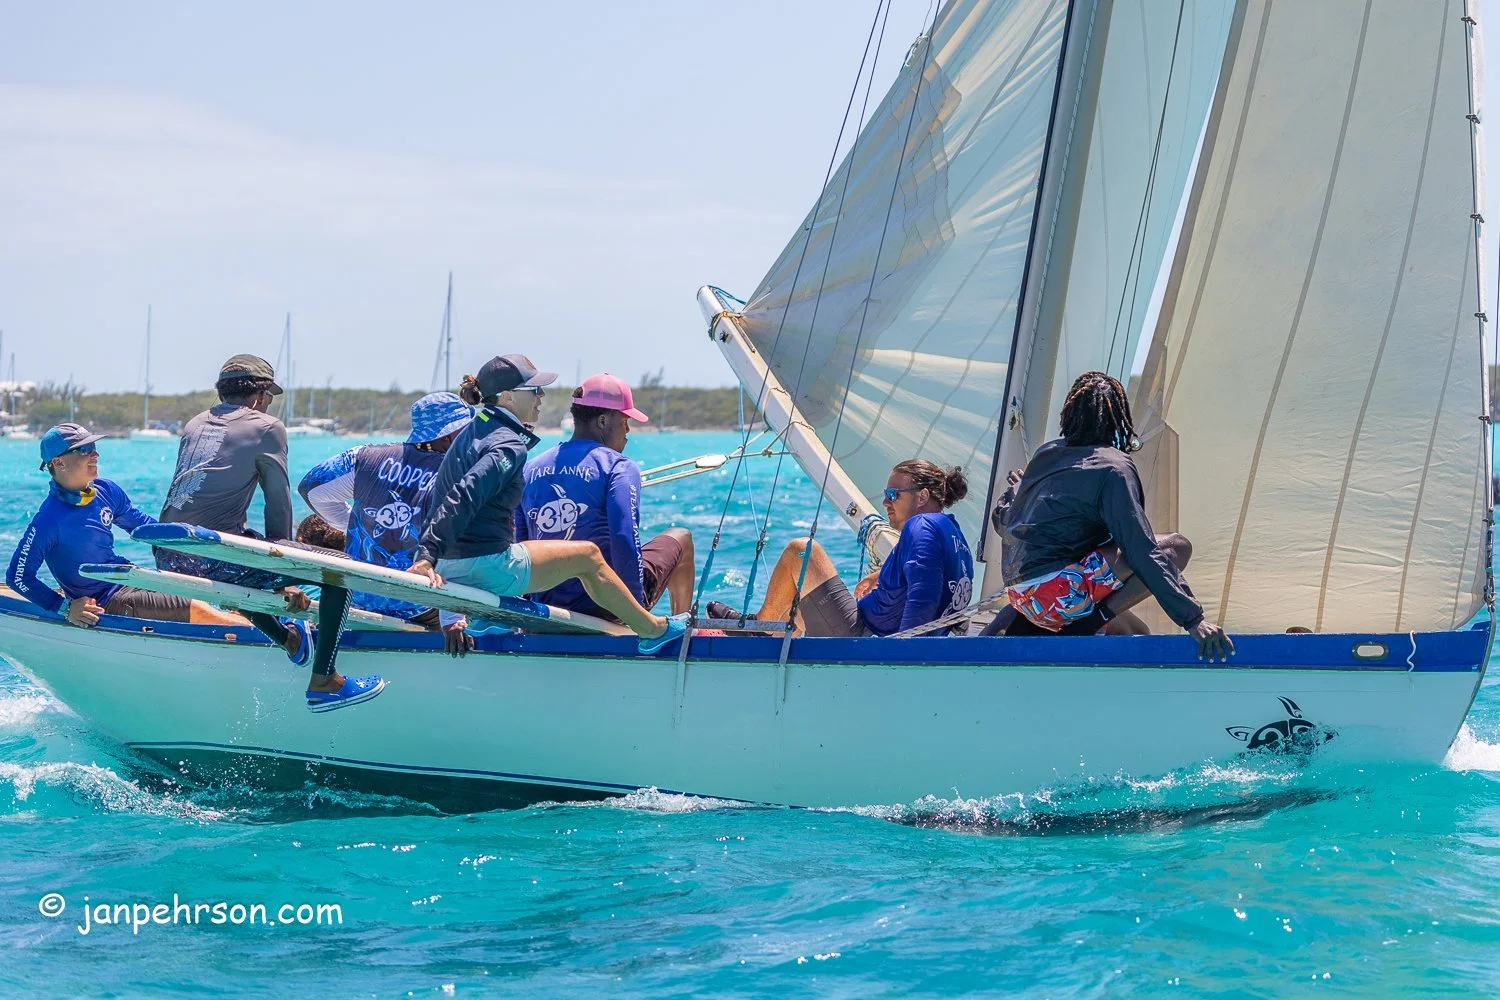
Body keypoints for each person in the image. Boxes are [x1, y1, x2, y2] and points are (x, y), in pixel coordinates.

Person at [407, 354, 687, 653]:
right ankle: (650, 628)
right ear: (508, 397)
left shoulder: (470, 434)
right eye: (534, 390)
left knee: (525, 549)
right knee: (588, 556)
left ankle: (494, 620)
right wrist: (426, 557)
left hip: (451, 566)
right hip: (484, 568)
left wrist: (441, 585)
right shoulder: (508, 445)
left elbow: (441, 499)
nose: (541, 396)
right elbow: (464, 494)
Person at [155, 354, 383, 711]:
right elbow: (278, 505)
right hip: (209, 555)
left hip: (169, 550)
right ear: (261, 396)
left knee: (246, 546)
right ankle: (325, 680)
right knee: (341, 568)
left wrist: (278, 568)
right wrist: (286, 571)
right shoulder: (266, 426)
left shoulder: (196, 423)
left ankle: (289, 640)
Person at [989, 370, 1234, 661]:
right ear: (1118, 417)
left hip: (1020, 599)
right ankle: (1086, 626)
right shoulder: (1114, 467)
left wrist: (1016, 491)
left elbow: (1003, 521)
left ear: (1069, 412)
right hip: (1058, 600)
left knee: (1118, 592)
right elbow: (1141, 549)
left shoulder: (1046, 454)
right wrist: (1192, 619)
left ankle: (1062, 622)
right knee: (1175, 547)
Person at [7, 423, 245, 628]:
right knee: (200, 610)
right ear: (58, 462)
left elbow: (142, 527)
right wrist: (65, 608)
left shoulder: (106, 491)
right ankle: (268, 641)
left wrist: (193, 543)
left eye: (94, 448)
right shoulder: (49, 520)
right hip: (107, 600)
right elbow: (18, 577)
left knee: (211, 594)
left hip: (132, 578)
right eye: (84, 450)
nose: (95, 455)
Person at [299, 391, 475, 655]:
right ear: (450, 434)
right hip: (419, 605)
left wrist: (354, 523)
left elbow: (311, 489)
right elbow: (455, 548)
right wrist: (452, 618)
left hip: (357, 597)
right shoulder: (458, 473)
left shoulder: (364, 457)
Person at [714, 460, 974, 637]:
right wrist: (882, 575)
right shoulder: (953, 533)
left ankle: (759, 629)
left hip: (864, 639)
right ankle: (775, 631)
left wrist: (904, 656)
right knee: (800, 600)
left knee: (802, 551)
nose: (885, 501)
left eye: (894, 494)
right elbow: (936, 583)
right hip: (873, 631)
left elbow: (925, 597)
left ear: (922, 496)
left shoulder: (920, 525)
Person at [515, 373, 695, 619]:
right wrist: (635, 614)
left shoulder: (529, 468)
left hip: (545, 605)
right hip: (605, 605)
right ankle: (678, 629)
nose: (628, 431)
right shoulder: (618, 467)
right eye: (624, 421)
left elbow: (521, 544)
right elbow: (624, 539)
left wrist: (526, 615)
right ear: (602, 421)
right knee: (681, 537)